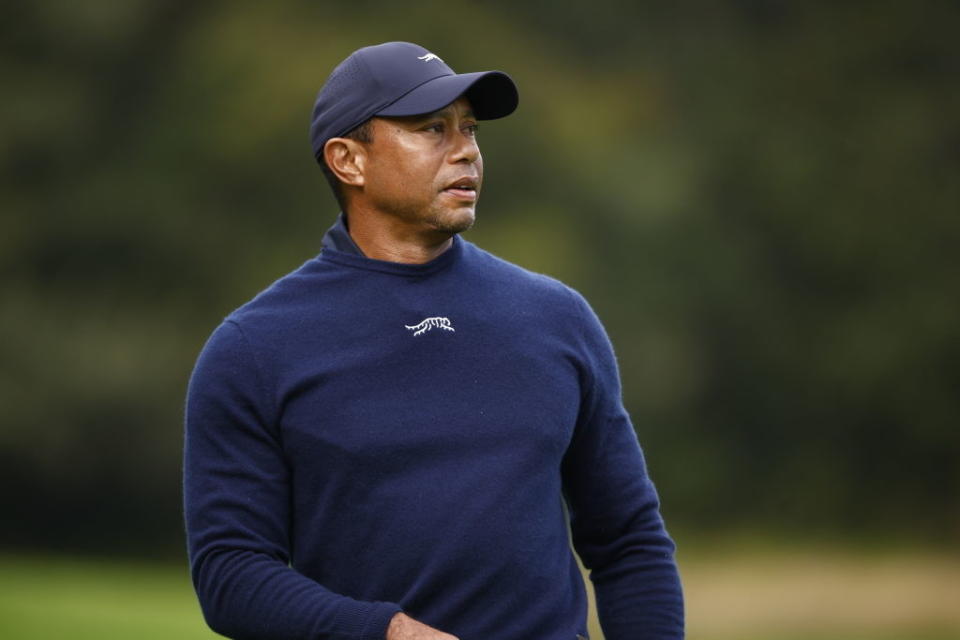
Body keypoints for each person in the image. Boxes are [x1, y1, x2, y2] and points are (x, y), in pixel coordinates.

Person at [183, 41, 684, 640]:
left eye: (469, 129)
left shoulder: (557, 318)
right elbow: (231, 574)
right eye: (431, 129)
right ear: (348, 160)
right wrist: (391, 634)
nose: (466, 151)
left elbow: (628, 539)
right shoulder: (254, 348)